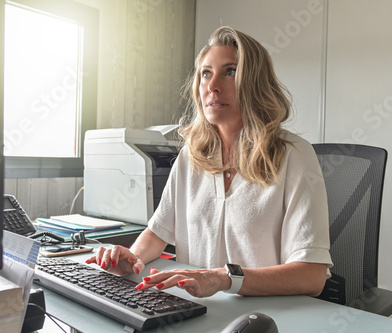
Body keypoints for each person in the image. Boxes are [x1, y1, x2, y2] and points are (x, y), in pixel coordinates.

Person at [86, 26, 332, 298]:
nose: (213, 86)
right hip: (196, 311)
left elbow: (312, 275)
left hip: (266, 317)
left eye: (230, 72)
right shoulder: (190, 157)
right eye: (206, 73)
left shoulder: (293, 155)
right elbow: (158, 233)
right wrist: (133, 258)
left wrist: (222, 278)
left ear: (254, 82)